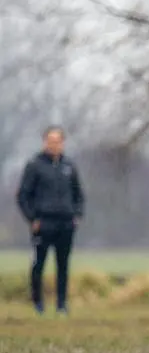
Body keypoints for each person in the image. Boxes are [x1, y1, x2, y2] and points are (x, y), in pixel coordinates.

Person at [16, 126, 85, 316]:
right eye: (50, 141)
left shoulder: (69, 166)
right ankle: (38, 302)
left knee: (63, 265)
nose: (54, 145)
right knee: (39, 263)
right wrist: (32, 218)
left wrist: (77, 215)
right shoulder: (35, 165)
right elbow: (23, 195)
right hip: (43, 222)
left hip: (65, 222)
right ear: (44, 142)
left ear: (62, 143)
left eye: (58, 141)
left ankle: (61, 304)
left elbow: (78, 194)